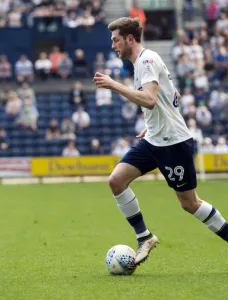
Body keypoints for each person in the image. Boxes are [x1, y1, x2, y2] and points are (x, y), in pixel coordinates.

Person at [93, 17, 228, 266]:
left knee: (190, 203)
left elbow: (151, 100)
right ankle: (144, 236)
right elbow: (172, 94)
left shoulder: (145, 60)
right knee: (116, 180)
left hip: (174, 144)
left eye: (116, 40)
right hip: (155, 139)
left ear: (129, 39)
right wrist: (153, 123)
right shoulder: (146, 60)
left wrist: (114, 85)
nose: (113, 46)